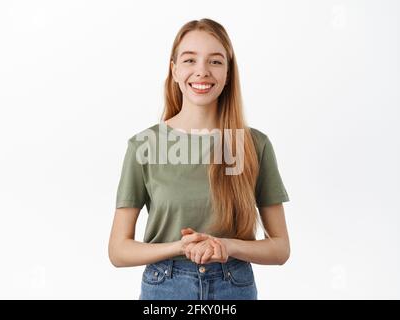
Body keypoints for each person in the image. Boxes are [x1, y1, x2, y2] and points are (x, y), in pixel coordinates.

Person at [108, 18, 290, 300]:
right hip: (165, 287)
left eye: (215, 62)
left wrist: (226, 246)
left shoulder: (254, 145)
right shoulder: (144, 145)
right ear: (175, 70)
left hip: (234, 285)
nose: (202, 72)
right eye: (190, 60)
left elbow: (280, 249)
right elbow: (118, 251)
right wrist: (181, 247)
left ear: (228, 73)